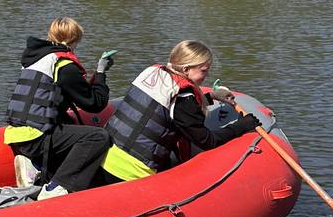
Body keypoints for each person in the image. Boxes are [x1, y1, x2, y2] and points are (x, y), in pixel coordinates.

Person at [100, 40, 263, 182]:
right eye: (204, 70)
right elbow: (207, 141)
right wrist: (242, 125)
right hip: (132, 172)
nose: (207, 75)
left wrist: (212, 96)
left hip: (105, 157)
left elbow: (168, 105)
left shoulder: (154, 72)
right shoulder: (185, 99)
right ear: (185, 69)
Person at [4, 17, 113, 200]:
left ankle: (35, 166)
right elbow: (95, 104)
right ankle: (57, 187)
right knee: (98, 137)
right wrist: (101, 72)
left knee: (70, 124)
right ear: (75, 39)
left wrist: (90, 82)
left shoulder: (37, 59)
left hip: (16, 132)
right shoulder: (65, 66)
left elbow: (60, 93)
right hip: (37, 137)